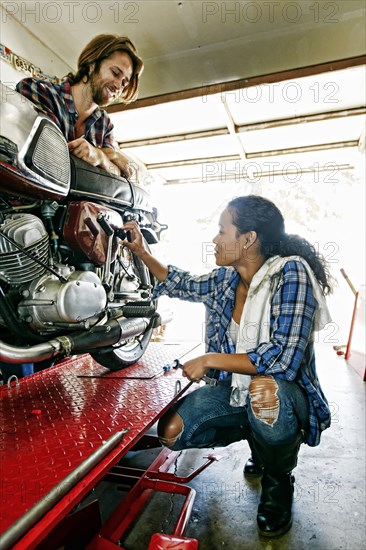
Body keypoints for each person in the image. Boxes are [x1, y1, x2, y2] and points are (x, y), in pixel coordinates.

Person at [121, 194, 333, 538]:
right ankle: (257, 440)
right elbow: (181, 283)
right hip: (233, 392)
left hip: (282, 394)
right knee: (171, 432)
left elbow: (283, 357)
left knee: (265, 394)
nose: (216, 239)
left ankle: (278, 480)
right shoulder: (225, 280)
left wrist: (210, 360)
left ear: (248, 239)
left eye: (222, 231)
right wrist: (142, 251)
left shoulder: (290, 273)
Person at [16, 34, 144, 178]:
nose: (118, 86)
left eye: (124, 83)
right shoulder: (38, 91)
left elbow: (117, 177)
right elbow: (48, 155)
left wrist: (102, 156)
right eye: (115, 73)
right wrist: (108, 158)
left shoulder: (105, 124)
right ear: (92, 64)